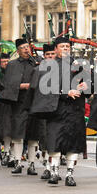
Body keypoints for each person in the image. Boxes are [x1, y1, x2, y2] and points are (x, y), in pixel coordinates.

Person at [29, 36, 89, 186]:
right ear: (55, 49)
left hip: (75, 111)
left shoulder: (79, 65)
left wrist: (86, 86)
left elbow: (89, 83)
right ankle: (54, 172)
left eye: (67, 47)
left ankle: (70, 174)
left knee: (73, 144)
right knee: (54, 142)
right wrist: (65, 92)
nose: (65, 49)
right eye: (62, 46)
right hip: (56, 110)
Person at [0, 39, 42, 176]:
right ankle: (17, 162)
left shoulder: (37, 62)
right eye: (22, 48)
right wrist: (22, 86)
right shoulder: (12, 65)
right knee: (18, 134)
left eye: (27, 47)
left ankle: (32, 164)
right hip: (19, 103)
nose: (26, 49)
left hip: (35, 103)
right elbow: (7, 84)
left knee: (33, 135)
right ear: (18, 51)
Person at [38, 43, 56, 180]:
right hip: (43, 109)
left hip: (57, 109)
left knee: (55, 141)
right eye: (47, 55)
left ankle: (53, 168)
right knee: (45, 140)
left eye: (52, 54)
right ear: (44, 56)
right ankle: (46, 167)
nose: (50, 56)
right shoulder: (39, 70)